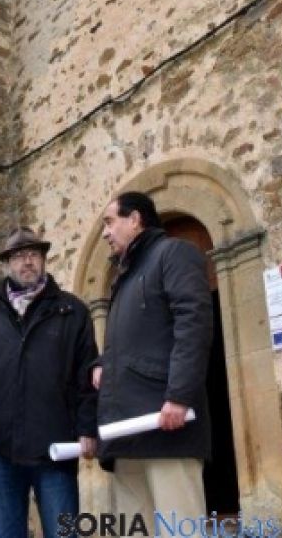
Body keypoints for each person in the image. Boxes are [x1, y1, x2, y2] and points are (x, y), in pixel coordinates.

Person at [0, 226, 98, 538]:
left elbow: (87, 375)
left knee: (64, 532)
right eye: (19, 256)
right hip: (0, 448)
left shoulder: (72, 311)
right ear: (7, 264)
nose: (27, 262)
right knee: (4, 532)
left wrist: (87, 427)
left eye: (34, 254)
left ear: (43, 260)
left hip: (56, 445)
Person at [93, 191, 213, 527]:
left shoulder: (174, 253)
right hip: (126, 435)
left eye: (109, 222)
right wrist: (102, 365)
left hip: (166, 427)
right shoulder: (122, 278)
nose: (104, 232)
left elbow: (193, 322)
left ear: (135, 219)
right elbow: (133, 342)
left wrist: (179, 395)